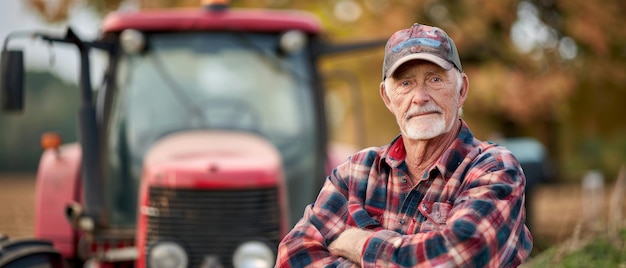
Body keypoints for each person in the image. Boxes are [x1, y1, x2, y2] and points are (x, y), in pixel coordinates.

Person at [275, 22, 533, 267]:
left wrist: (358, 244)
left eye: (434, 79)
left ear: (462, 89)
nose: (419, 97)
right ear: (387, 98)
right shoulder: (356, 173)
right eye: (406, 83)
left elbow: (455, 257)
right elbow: (293, 254)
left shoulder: (493, 169)